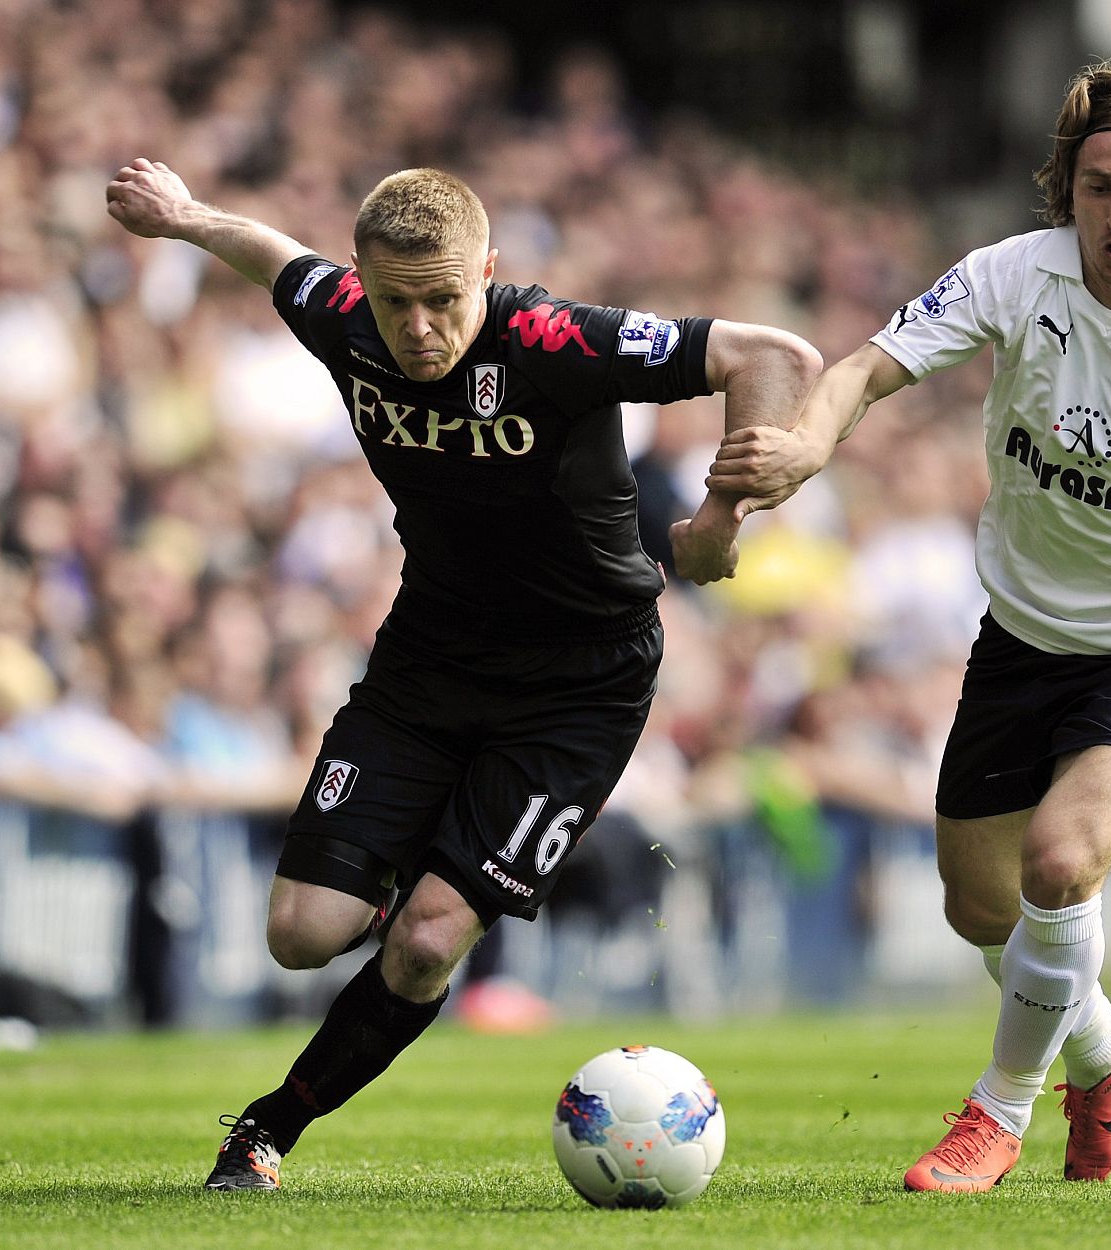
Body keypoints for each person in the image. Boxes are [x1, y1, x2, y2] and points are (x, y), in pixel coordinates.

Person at [678, 52, 1111, 1191]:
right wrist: (804, 442)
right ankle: (1105, 1048)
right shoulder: (1013, 275)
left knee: (1059, 863)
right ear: (1068, 191)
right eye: (1098, 186)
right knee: (977, 906)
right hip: (1017, 639)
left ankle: (995, 1113)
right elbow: (865, 368)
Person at [105, 158, 820, 1190]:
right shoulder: (340, 315)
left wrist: (719, 515)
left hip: (580, 684)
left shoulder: (552, 338)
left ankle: (265, 1129)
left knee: (430, 937)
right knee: (303, 934)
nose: (423, 327)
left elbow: (771, 353)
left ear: (488, 270)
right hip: (428, 663)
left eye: (446, 298)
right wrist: (182, 217)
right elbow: (269, 254)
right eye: (398, 302)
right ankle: (424, 867)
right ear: (361, 280)